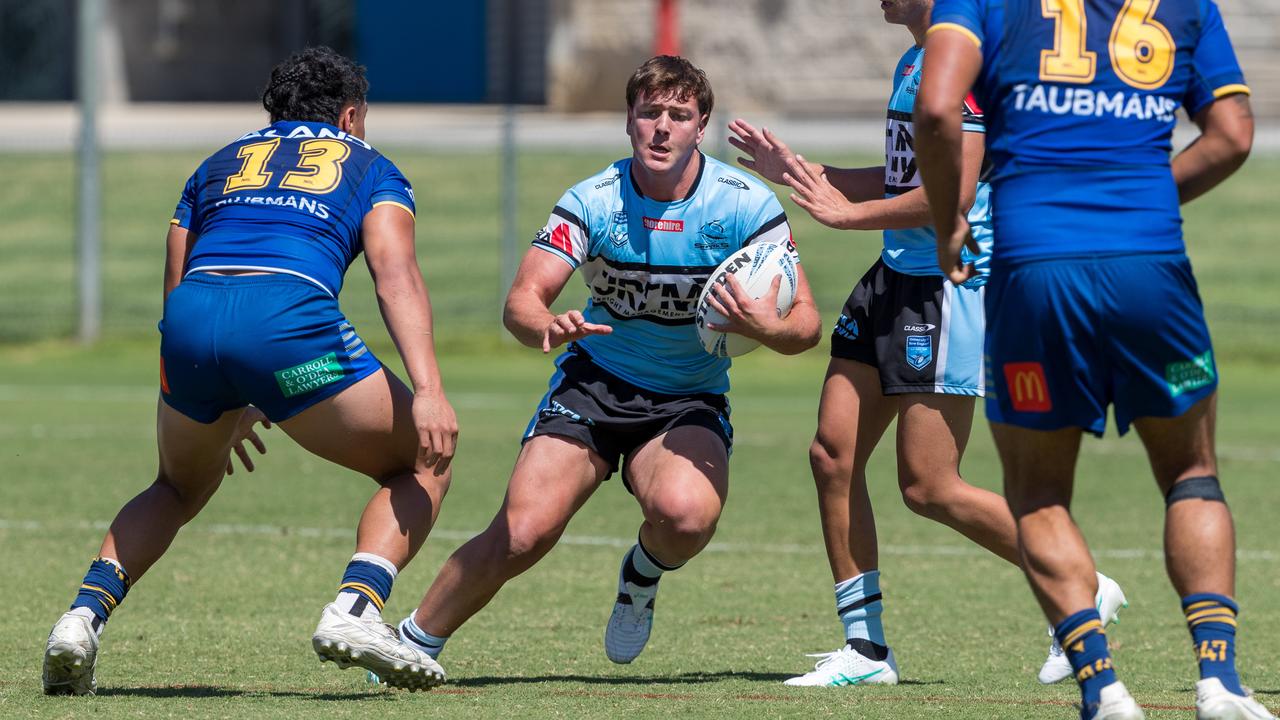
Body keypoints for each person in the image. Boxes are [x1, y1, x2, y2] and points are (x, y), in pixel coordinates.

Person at [373, 55, 820, 673]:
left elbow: (805, 326)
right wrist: (548, 325)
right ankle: (411, 641)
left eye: (679, 115)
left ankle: (641, 575)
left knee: (686, 520)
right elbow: (522, 302)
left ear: (701, 124)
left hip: (689, 397)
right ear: (629, 121)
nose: (662, 128)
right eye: (649, 113)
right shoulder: (593, 200)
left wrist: (765, 327)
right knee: (523, 531)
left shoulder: (744, 204)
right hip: (594, 386)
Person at [728, 0, 1124, 687]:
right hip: (892, 278)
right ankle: (866, 651)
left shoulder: (965, 61)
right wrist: (800, 173)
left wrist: (847, 216)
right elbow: (905, 181)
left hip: (947, 287)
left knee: (930, 484)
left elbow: (957, 194)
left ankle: (1083, 583)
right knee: (832, 455)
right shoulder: (915, 59)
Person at [42, 47, 456, 695]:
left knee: (177, 488)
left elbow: (177, 280)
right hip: (286, 324)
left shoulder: (216, 166)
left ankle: (81, 617)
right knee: (425, 461)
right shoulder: (370, 165)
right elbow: (393, 271)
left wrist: (228, 388)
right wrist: (428, 389)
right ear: (351, 115)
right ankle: (356, 610)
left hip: (191, 327)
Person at [915, 0, 1267, 718]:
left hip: (1036, 268)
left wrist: (950, 218)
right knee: (1192, 477)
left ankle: (1104, 689)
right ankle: (1220, 682)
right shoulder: (1186, 3)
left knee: (1039, 494)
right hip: (1151, 267)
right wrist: (1141, 202)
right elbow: (1231, 136)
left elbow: (937, 110)